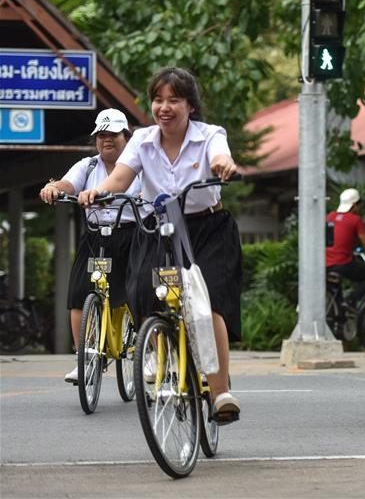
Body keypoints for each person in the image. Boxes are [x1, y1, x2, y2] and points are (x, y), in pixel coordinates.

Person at [79, 67, 242, 423]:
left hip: (207, 229)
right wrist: (98, 191)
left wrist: (224, 165)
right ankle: (156, 349)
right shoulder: (141, 140)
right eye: (158, 99)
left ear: (190, 106)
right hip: (159, 229)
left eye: (174, 100)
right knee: (141, 291)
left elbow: (220, 157)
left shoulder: (209, 135)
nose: (164, 107)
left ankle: (219, 393)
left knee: (209, 301)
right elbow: (120, 179)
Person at [39, 109, 142, 384]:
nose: (107, 140)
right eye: (101, 135)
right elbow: (67, 184)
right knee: (79, 293)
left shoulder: (138, 164)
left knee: (139, 291)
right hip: (97, 237)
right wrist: (53, 188)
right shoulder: (89, 166)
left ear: (126, 137)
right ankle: (84, 357)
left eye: (113, 135)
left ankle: (149, 353)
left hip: (133, 236)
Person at [326, 188, 365, 306]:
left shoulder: (330, 216)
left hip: (326, 264)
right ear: (354, 205)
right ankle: (351, 301)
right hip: (343, 263)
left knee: (335, 294)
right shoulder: (355, 220)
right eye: (359, 204)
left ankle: (339, 317)